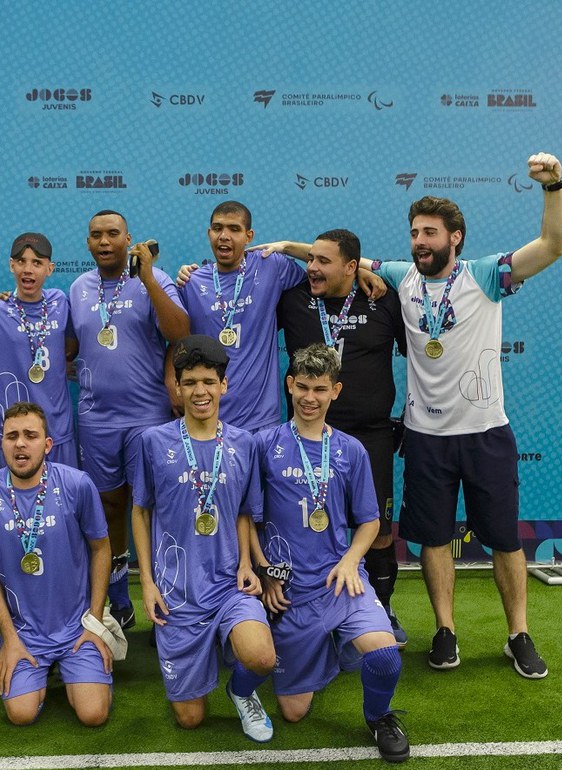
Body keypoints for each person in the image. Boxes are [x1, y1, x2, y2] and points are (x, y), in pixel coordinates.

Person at [360, 152, 562, 679]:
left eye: (429, 232)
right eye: (414, 232)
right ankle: (445, 630)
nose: (419, 241)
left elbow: (554, 245)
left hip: (484, 434)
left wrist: (554, 186)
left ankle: (518, 634)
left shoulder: (487, 275)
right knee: (432, 539)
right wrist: (282, 249)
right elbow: (336, 261)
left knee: (503, 539)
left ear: (455, 237)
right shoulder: (399, 276)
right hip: (426, 437)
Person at [250, 344, 408, 763]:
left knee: (386, 655)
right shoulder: (264, 445)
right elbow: (246, 518)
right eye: (302, 387)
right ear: (289, 385)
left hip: (341, 580)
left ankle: (379, 716)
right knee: (294, 712)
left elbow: (370, 522)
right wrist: (265, 573)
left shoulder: (351, 450)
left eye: (320, 389)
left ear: (335, 391)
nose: (309, 398)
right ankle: (329, 649)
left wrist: (351, 558)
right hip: (291, 590)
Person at [132, 335, 277, 741]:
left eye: (209, 382)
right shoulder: (153, 442)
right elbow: (140, 512)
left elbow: (245, 513)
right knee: (190, 719)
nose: (200, 391)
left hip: (229, 585)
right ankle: (197, 665)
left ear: (223, 385)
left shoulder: (244, 443)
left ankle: (240, 689)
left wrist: (248, 564)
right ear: (177, 387)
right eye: (191, 382)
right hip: (177, 594)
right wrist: (146, 582)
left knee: (263, 657)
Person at [271, 229, 408, 647]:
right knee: (302, 522)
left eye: (323, 262)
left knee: (379, 529)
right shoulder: (292, 298)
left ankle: (379, 607)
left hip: (370, 435)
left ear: (352, 268)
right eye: (310, 259)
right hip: (306, 437)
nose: (312, 267)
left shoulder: (382, 299)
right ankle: (298, 603)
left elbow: (420, 355)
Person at [0, 402, 114, 726]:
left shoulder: (77, 484)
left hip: (77, 627)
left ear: (47, 444)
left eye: (30, 435)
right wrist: (9, 638)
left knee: (93, 714)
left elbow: (101, 549)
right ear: (2, 442)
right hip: (24, 631)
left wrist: (95, 624)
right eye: (12, 435)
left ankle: (76, 673)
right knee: (21, 714)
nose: (20, 443)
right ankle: (40, 675)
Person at [69, 209, 190, 629]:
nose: (104, 242)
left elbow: (179, 331)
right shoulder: (78, 287)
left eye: (113, 234)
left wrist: (150, 279)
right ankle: (119, 599)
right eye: (96, 235)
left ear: (129, 238)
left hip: (148, 418)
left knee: (153, 506)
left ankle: (167, 597)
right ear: (88, 243)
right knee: (109, 505)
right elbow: (68, 342)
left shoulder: (156, 279)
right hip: (95, 418)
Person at [175, 201, 307, 432]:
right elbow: (173, 339)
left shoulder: (271, 265)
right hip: (208, 417)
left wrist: (285, 246)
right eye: (217, 228)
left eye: (234, 229)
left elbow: (327, 264)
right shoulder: (191, 282)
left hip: (261, 419)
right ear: (209, 234)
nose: (224, 236)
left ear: (249, 236)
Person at [0, 232, 77, 467]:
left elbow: (72, 347)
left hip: (57, 429)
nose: (28, 269)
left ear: (50, 269)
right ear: (11, 265)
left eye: (37, 263)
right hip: (14, 435)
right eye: (21, 262)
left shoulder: (60, 302)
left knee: (64, 500)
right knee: (16, 501)